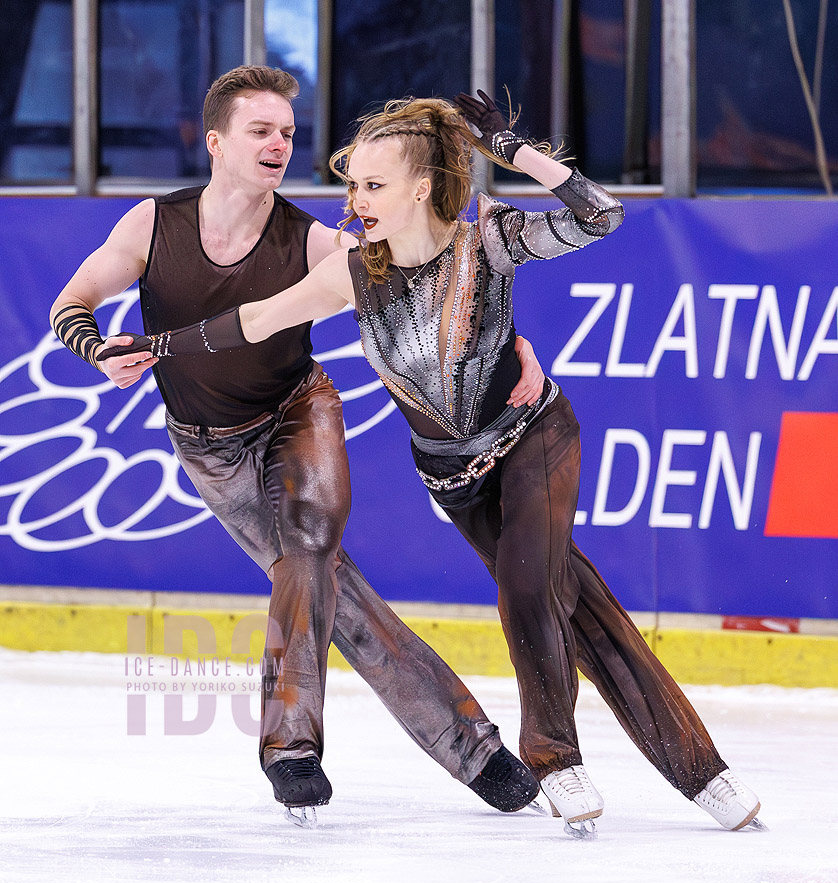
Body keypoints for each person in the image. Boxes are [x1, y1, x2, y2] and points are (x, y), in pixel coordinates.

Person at [103, 89, 768, 839]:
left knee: (527, 586)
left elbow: (600, 217)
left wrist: (513, 152)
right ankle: (703, 772)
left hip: (533, 437)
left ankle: (553, 757)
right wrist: (156, 347)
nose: (356, 200)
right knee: (581, 609)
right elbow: (251, 322)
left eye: (374, 185)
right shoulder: (351, 272)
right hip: (455, 480)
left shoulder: (489, 240)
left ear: (421, 187)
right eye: (353, 185)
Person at [50, 66, 551, 827]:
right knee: (333, 593)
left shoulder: (318, 241)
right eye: (261, 130)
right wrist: (93, 349)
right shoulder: (153, 225)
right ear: (216, 142)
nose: (279, 143)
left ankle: (290, 747)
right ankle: (474, 749)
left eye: (287, 131)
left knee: (312, 545)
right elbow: (72, 302)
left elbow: (440, 282)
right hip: (209, 451)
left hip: (298, 413)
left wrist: (514, 346)